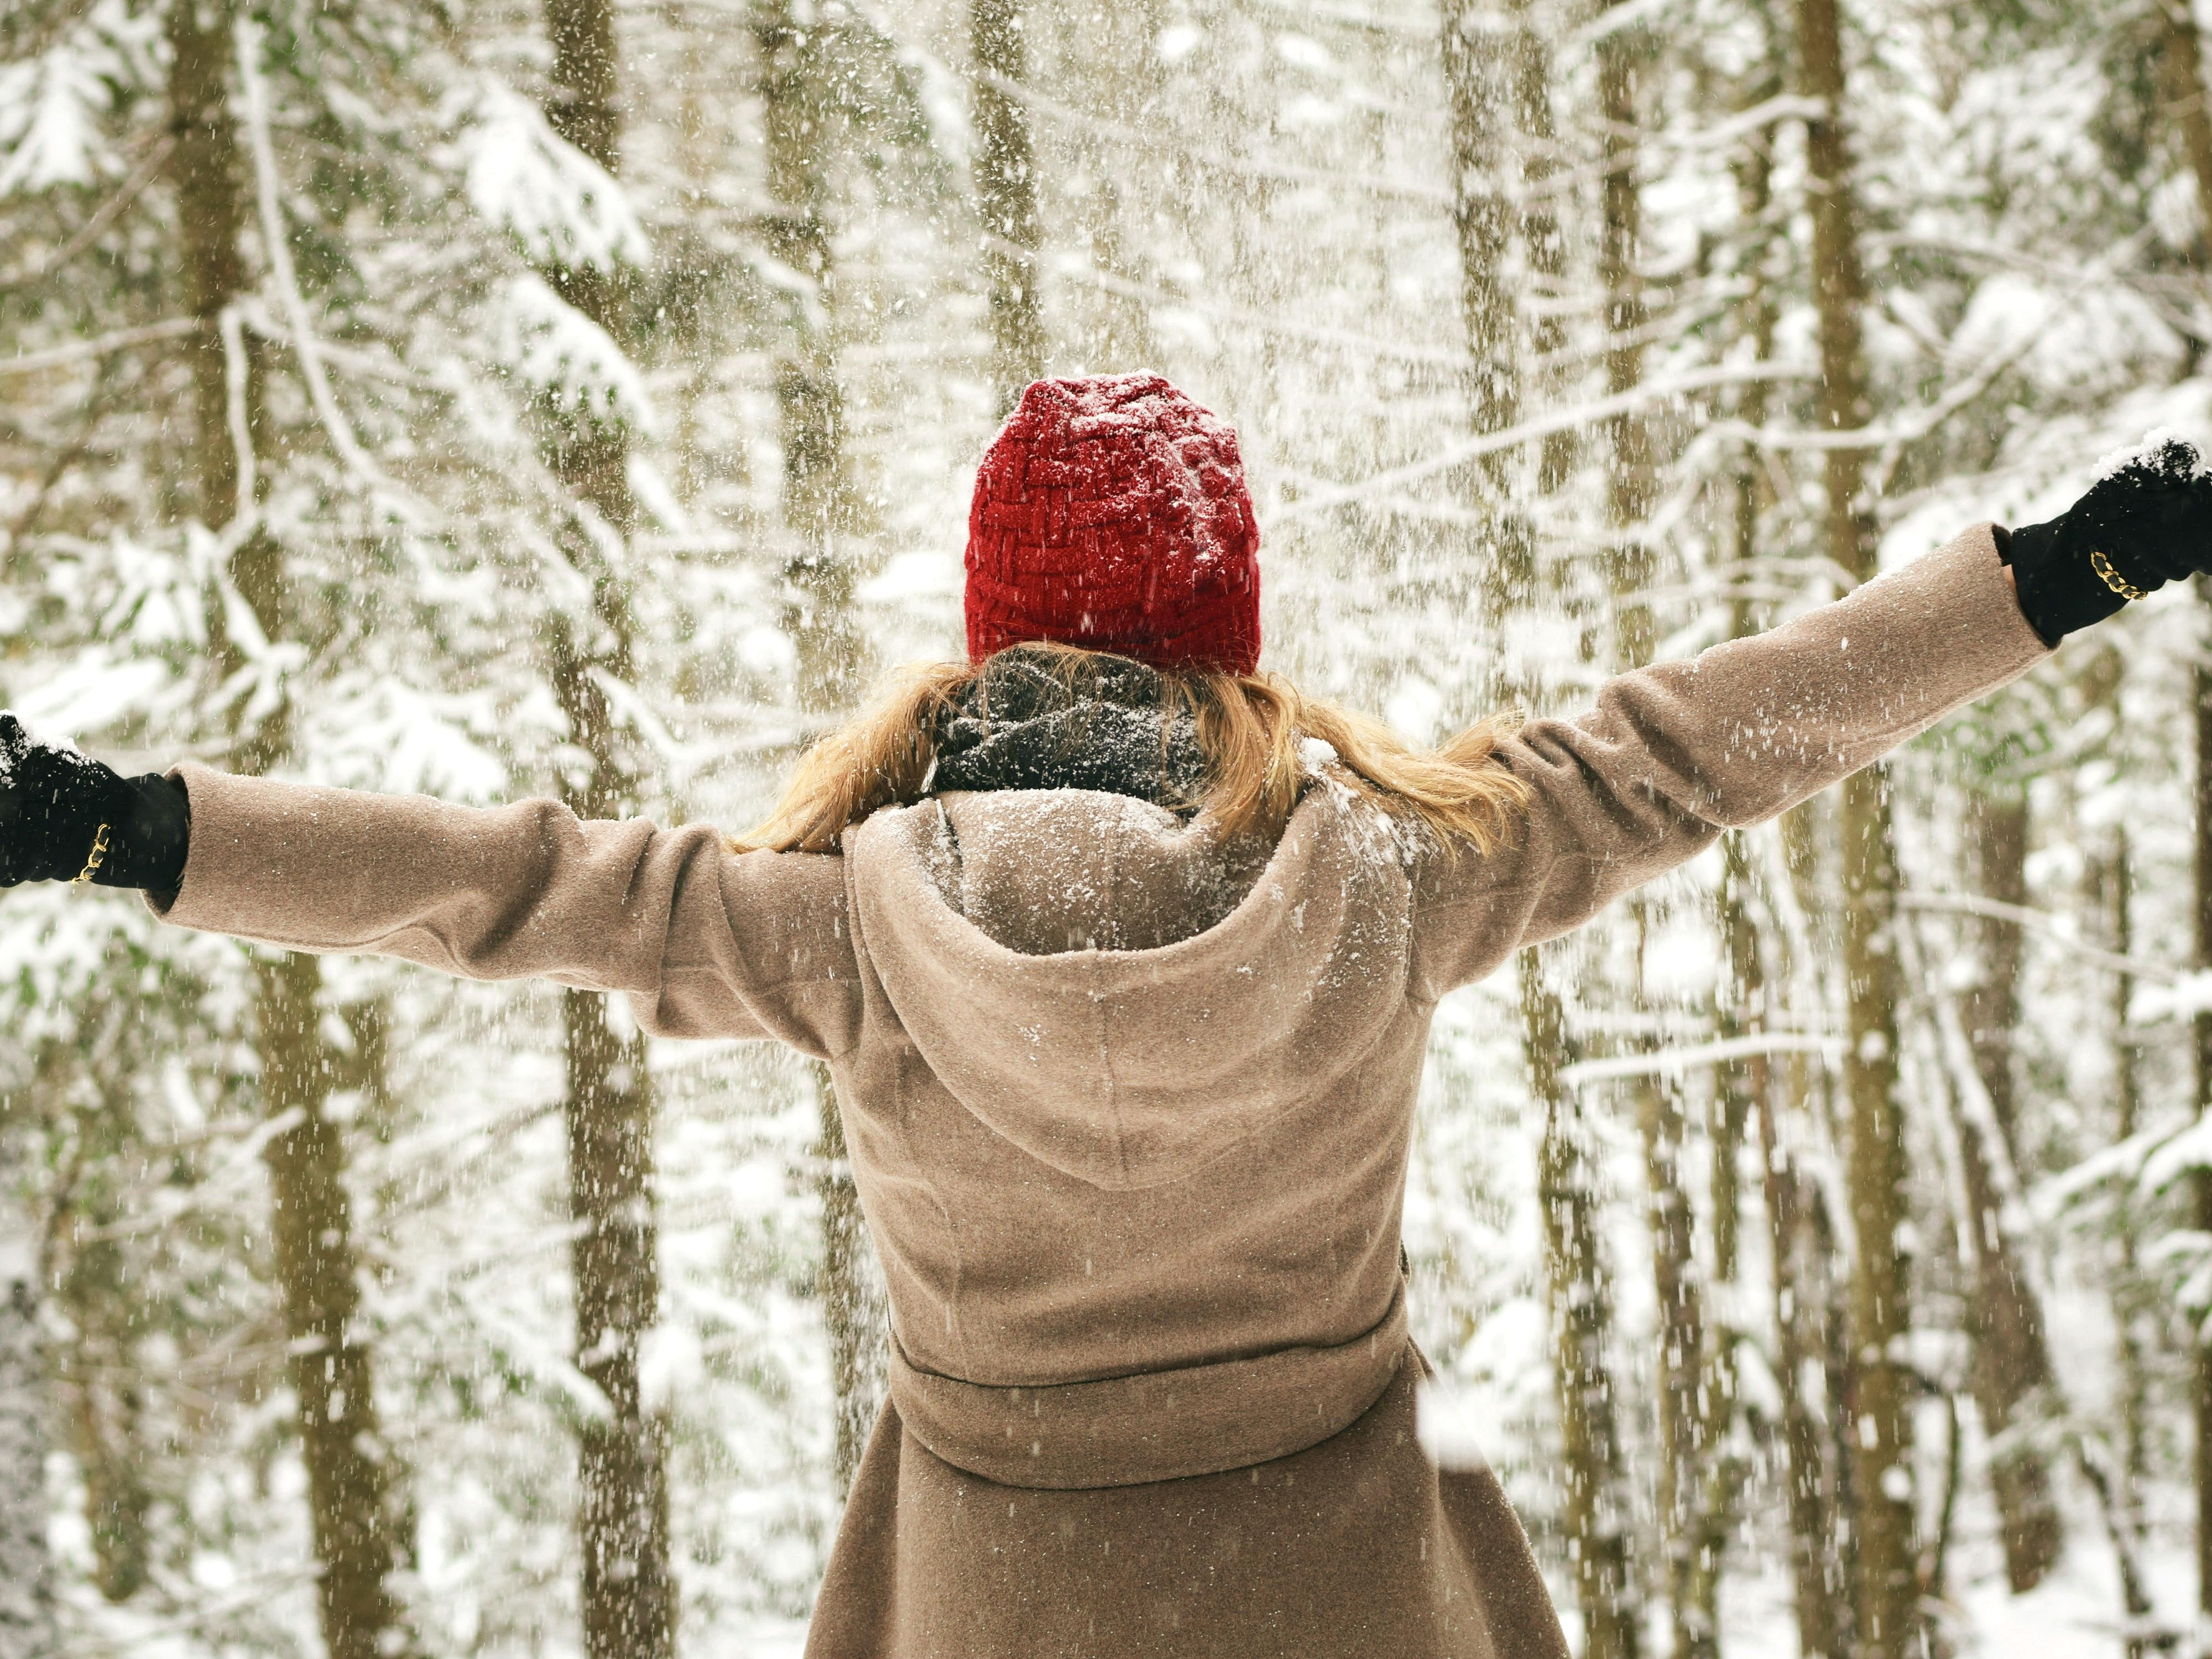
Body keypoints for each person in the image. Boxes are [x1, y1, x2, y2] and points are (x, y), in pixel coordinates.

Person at [2, 373, 2207, 1658]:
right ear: (1224, 637)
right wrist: (2076, 562)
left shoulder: (837, 925)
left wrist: (118, 825)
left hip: (996, 1601)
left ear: (983, 648)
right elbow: (1708, 742)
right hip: (1347, 1597)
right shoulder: (1397, 877)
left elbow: (488, 888)